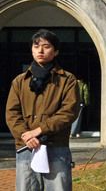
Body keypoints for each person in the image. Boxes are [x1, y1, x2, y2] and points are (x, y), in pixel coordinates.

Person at [5, 29, 80, 191]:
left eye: (46, 46)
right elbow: (12, 113)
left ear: (56, 51)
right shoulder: (20, 81)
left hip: (56, 146)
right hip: (26, 146)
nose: (40, 50)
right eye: (36, 46)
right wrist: (25, 135)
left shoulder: (67, 80)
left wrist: (39, 130)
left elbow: (69, 112)